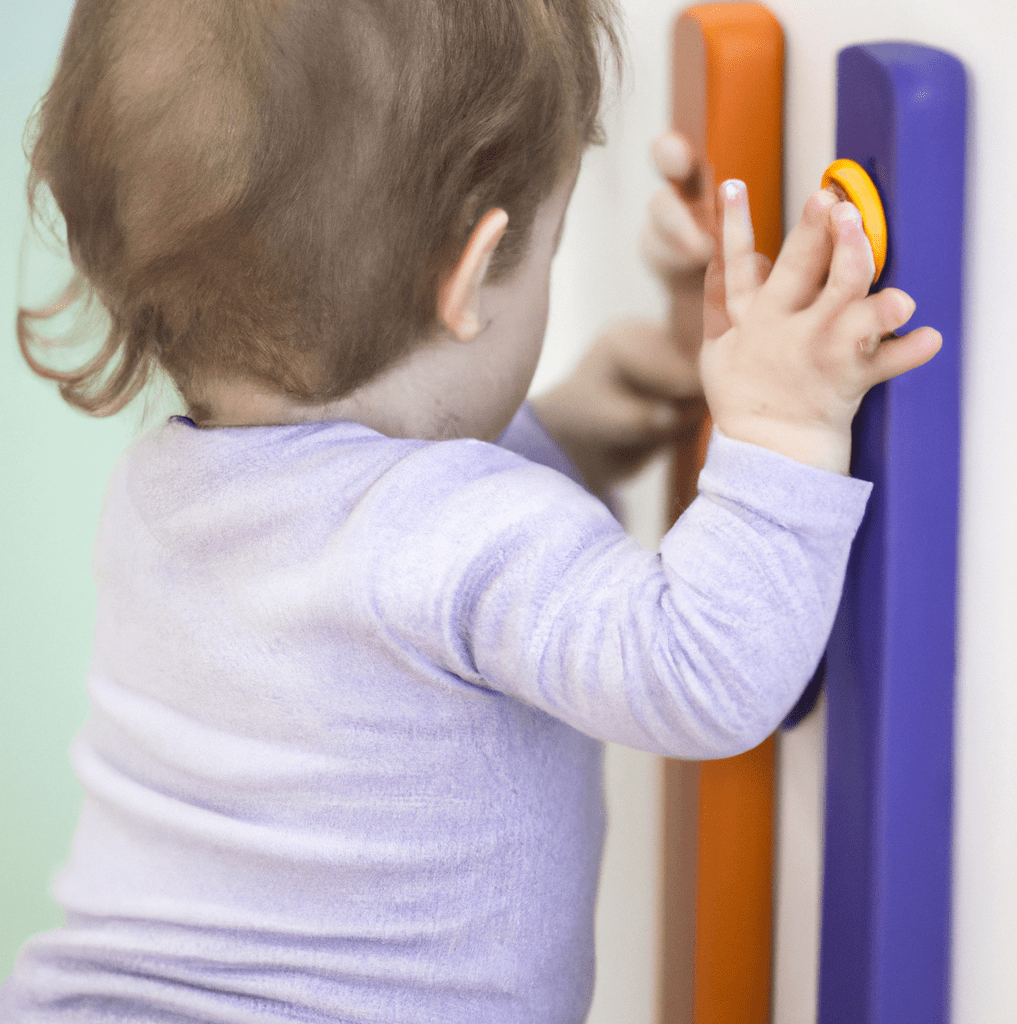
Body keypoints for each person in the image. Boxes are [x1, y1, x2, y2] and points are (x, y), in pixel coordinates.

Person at [1, 0, 941, 1020]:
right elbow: (699, 671)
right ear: (467, 274)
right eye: (549, 246)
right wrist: (781, 425)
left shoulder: (159, 494)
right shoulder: (450, 538)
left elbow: (382, 543)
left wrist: (572, 427)